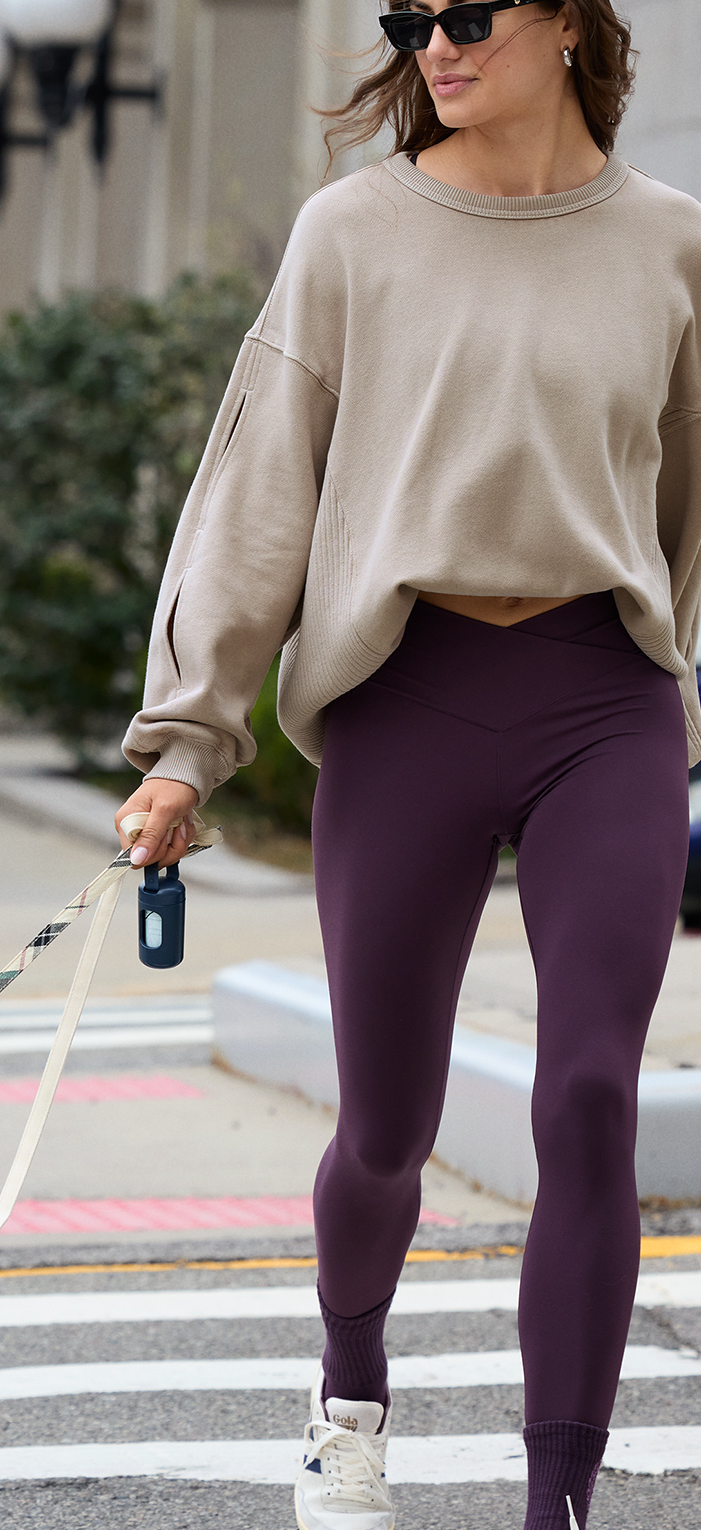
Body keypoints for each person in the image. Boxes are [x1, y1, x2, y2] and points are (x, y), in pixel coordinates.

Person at [115, 2, 701, 1527]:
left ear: (567, 22)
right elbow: (256, 501)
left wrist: (655, 654)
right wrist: (188, 741)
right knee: (388, 1120)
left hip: (606, 700)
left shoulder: (670, 246)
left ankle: (555, 1497)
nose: (432, 42)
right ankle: (350, 1392)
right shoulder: (351, 234)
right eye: (405, 17)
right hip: (403, 697)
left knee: (587, 1094)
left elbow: (691, 507)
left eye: (465, 12)